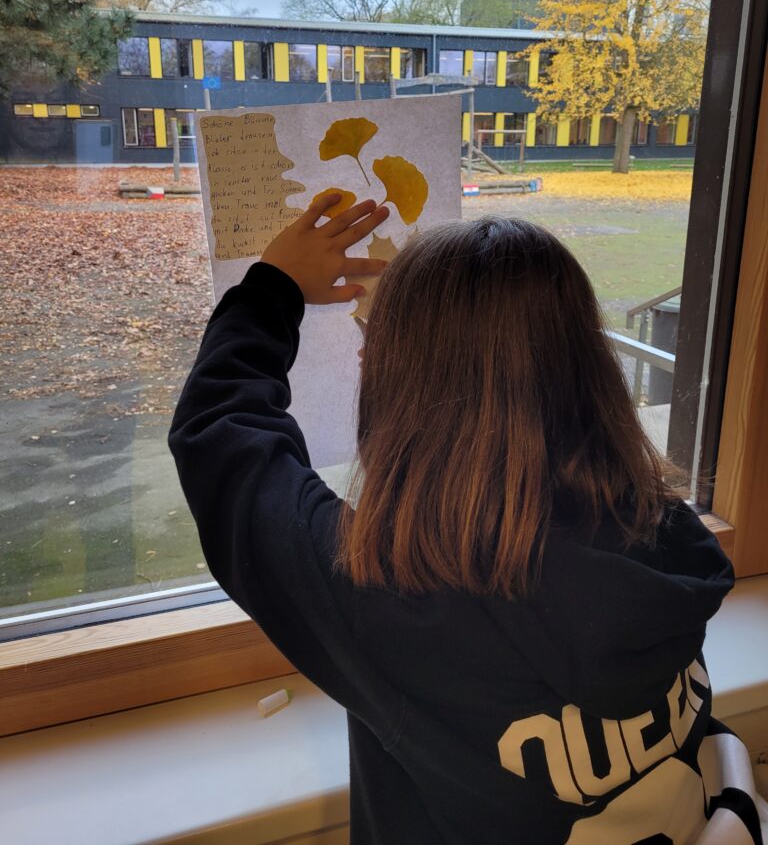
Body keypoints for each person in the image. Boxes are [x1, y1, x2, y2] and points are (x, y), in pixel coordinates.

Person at [169, 193, 765, 845]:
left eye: (374, 347)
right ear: (588, 369)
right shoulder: (661, 534)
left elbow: (222, 442)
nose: (364, 361)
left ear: (406, 393)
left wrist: (273, 287)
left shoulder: (393, 603)